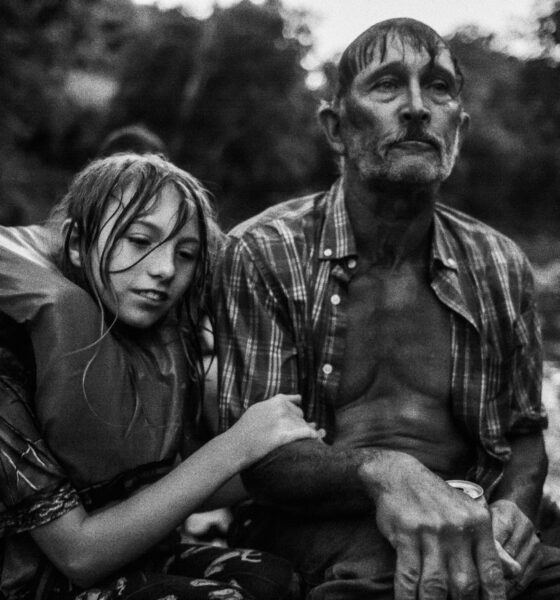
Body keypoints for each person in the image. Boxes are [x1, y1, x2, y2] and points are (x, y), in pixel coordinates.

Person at [214, 17, 560, 600]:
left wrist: (515, 514)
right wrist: (385, 472)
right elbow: (262, 461)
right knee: (401, 581)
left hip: (474, 513)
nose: (418, 107)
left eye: (439, 88)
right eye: (387, 84)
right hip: (311, 523)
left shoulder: (500, 263)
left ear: (459, 129)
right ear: (336, 128)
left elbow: (524, 435)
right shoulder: (262, 253)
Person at [0, 153, 324, 600]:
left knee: (279, 579)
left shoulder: (155, 341)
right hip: (34, 584)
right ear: (76, 242)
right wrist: (238, 444)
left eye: (185, 253)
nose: (166, 269)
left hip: (133, 563)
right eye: (139, 240)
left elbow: (169, 488)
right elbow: (79, 556)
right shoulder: (10, 355)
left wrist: (294, 451)